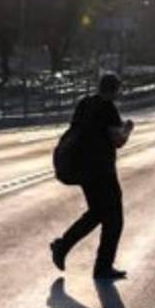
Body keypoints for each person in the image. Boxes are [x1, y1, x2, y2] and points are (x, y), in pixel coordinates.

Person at [50, 73, 133, 280]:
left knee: (97, 213)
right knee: (114, 219)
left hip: (83, 170)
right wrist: (128, 129)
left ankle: (63, 246)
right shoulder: (108, 108)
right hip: (102, 171)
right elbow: (118, 140)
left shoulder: (84, 103)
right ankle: (102, 267)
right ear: (115, 91)